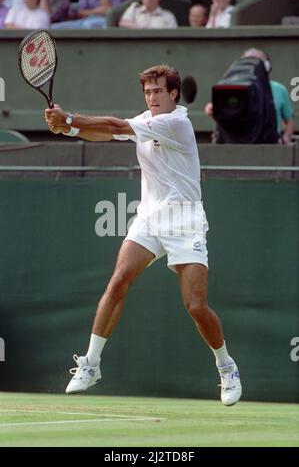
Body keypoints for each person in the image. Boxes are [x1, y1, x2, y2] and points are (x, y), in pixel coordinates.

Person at [45, 64, 242, 406]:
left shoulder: (176, 123)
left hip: (185, 221)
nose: (151, 97)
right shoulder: (147, 120)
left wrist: (70, 117)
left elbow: (115, 125)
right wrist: (67, 129)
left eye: (157, 92)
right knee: (119, 279)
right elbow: (108, 134)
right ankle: (91, 364)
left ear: (173, 95)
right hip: (150, 218)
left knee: (195, 306)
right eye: (147, 92)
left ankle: (226, 366)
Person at [205, 48, 295, 144]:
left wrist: (285, 138)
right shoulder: (231, 89)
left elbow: (289, 118)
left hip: (268, 145)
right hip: (234, 145)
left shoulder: (279, 89)